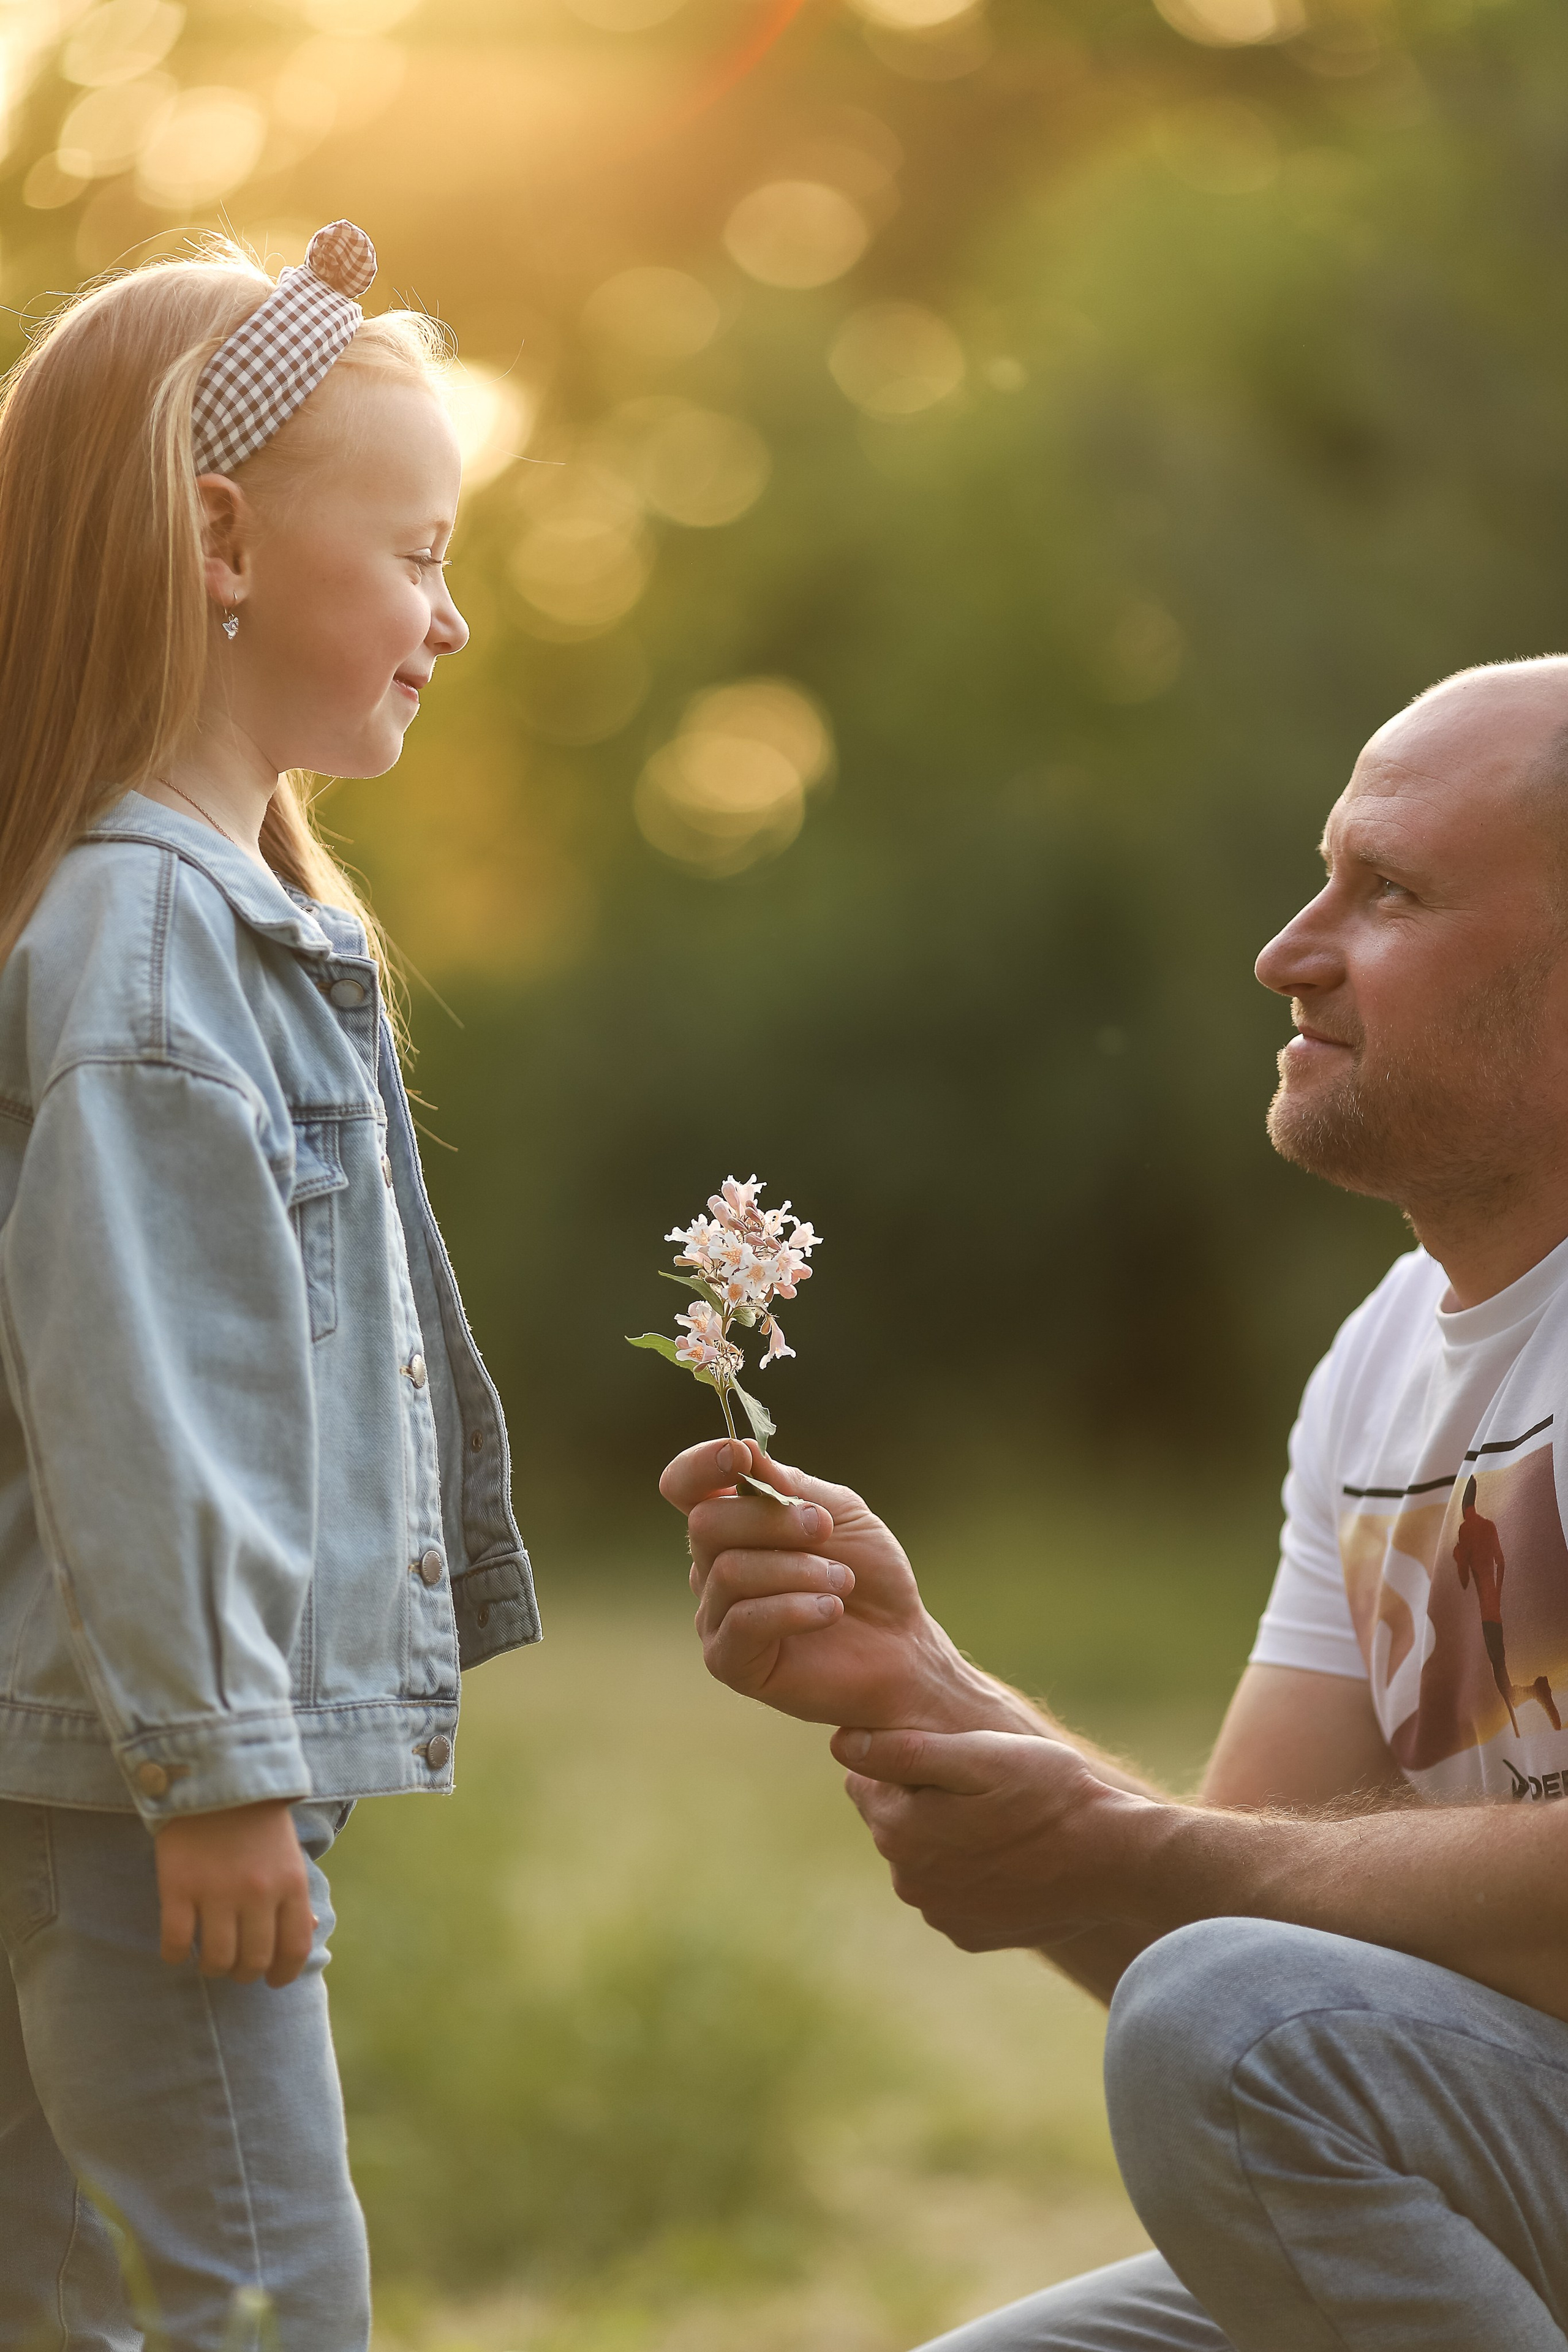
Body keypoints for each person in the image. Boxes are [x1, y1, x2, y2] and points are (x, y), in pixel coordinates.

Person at [662, 655, 1568, 2352]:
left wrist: (1135, 1856)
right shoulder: (1383, 1362)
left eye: (1389, 892)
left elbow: (1228, 1978)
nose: (1288, 952)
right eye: (1323, 877)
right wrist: (927, 1686)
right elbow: (1221, 1907)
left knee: (1235, 2021)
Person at [0, 225, 538, 2347]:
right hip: (139, 1780)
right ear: (220, 541)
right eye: (417, 553)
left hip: (77, 1750)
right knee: (263, 2293)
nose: (452, 616)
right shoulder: (152, 953)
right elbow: (139, 1381)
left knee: (49, 2292)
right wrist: (223, 1769)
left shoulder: (159, 921)